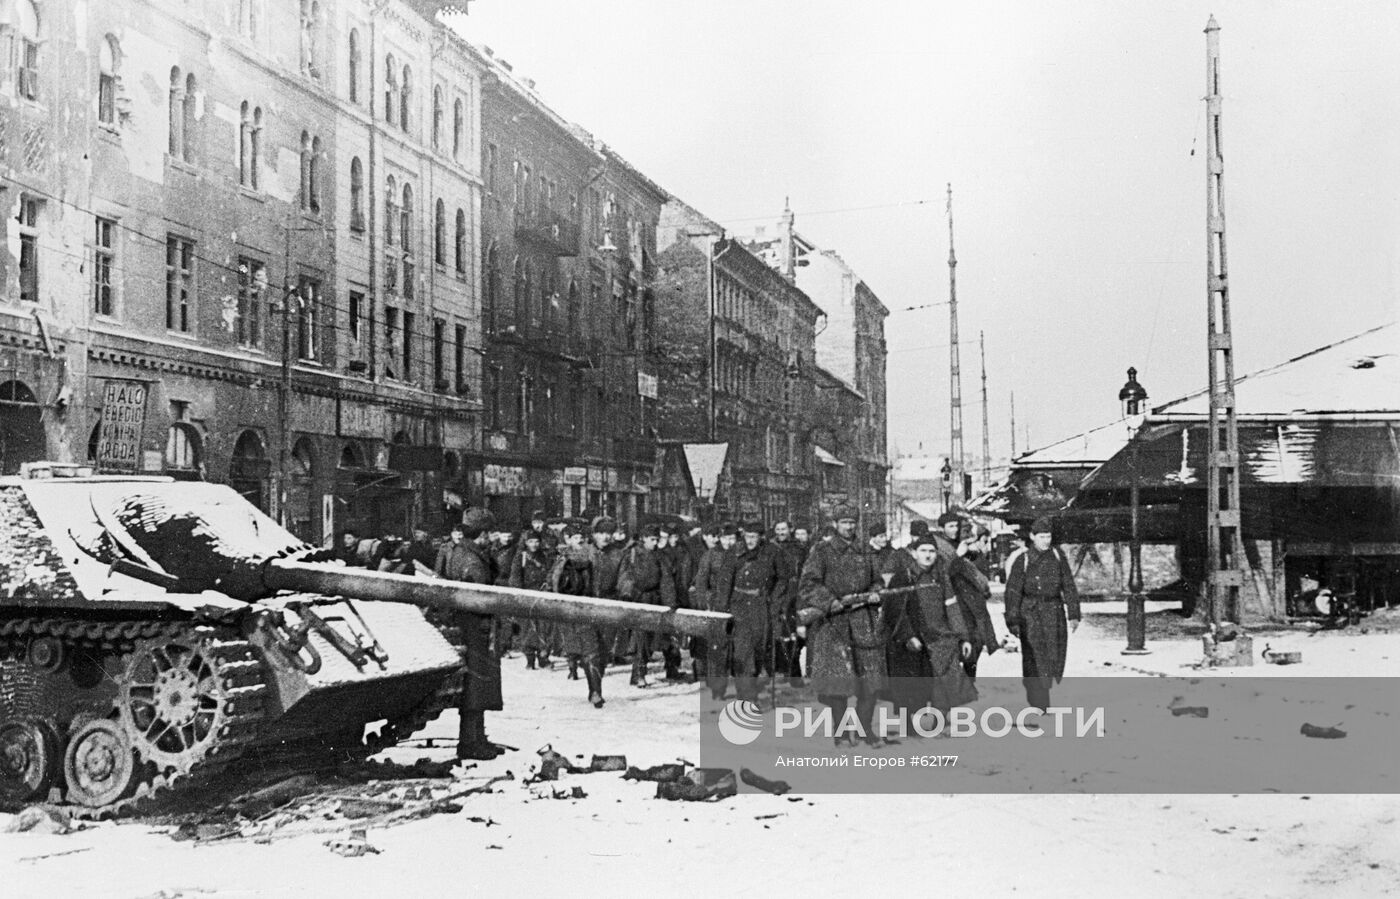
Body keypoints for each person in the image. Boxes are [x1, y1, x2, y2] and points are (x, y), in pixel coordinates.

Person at [797, 506, 885, 747]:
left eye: (853, 523)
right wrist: (830, 602)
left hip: (863, 622)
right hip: (832, 624)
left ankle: (865, 729)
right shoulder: (822, 551)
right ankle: (842, 732)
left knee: (870, 681)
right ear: (835, 524)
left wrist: (876, 593)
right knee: (838, 684)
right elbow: (808, 584)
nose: (849, 527)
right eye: (844, 522)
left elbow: (877, 580)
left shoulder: (866, 550)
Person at [433, 512, 503, 760]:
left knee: (478, 684)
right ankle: (469, 743)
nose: (492, 537)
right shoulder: (471, 560)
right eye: (490, 533)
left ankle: (477, 737)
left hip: (470, 625)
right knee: (475, 685)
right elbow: (479, 594)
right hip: (474, 626)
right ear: (482, 534)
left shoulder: (464, 552)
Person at [882, 535, 974, 722]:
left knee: (945, 677)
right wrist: (908, 635)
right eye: (923, 551)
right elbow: (895, 610)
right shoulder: (904, 577)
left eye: (932, 551)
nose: (928, 555)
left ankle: (940, 719)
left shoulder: (941, 577)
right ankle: (908, 723)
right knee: (911, 682)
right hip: (913, 637)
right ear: (914, 553)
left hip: (939, 635)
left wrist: (963, 637)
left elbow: (952, 607)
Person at [1004, 516, 1080, 711]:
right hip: (1030, 614)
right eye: (1042, 536)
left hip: (1053, 613)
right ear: (1032, 537)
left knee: (1052, 656)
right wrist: (1013, 620)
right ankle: (1038, 702)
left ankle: (1041, 697)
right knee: (1033, 658)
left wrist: (1073, 613)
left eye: (1048, 536)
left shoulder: (1057, 556)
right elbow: (1013, 592)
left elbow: (1069, 585)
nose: (1046, 540)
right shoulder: (1023, 560)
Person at [710, 521, 786, 703]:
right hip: (739, 607)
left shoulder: (772, 552)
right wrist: (722, 611)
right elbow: (724, 582)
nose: (750, 541)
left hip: (762, 607)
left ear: (761, 537)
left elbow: (783, 579)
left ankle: (749, 690)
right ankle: (747, 697)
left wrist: (774, 603)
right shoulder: (733, 552)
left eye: (754, 537)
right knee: (743, 653)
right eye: (747, 536)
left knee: (759, 650)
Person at [551, 526, 607, 708]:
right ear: (567, 540)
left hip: (588, 609)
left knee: (593, 652)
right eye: (575, 538)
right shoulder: (561, 558)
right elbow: (553, 581)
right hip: (569, 610)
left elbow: (599, 583)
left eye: (581, 537)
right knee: (585, 651)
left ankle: (595, 691)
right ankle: (589, 685)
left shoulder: (593, 556)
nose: (579, 541)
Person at [948, 525, 1000, 679]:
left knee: (976, 644)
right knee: (965, 645)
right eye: (983, 541)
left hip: (976, 609)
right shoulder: (960, 559)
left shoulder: (976, 557)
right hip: (961, 608)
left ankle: (969, 680)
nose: (985, 545)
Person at [620, 523, 668, 687]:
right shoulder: (633, 553)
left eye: (657, 539)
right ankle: (639, 673)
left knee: (649, 639)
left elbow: (666, 579)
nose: (655, 543)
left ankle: (637, 673)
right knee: (641, 638)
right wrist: (629, 594)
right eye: (652, 539)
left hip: (654, 600)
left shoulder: (659, 556)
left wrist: (670, 602)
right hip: (638, 600)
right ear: (644, 538)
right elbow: (624, 576)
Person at [508, 531, 554, 670]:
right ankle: (530, 659)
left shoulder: (545, 556)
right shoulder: (520, 557)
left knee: (544, 627)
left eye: (536, 541)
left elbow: (551, 573)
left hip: (542, 596)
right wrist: (519, 595)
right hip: (527, 596)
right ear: (525, 543)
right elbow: (515, 577)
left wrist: (548, 586)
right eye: (530, 541)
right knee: (527, 629)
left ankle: (543, 657)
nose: (534, 544)